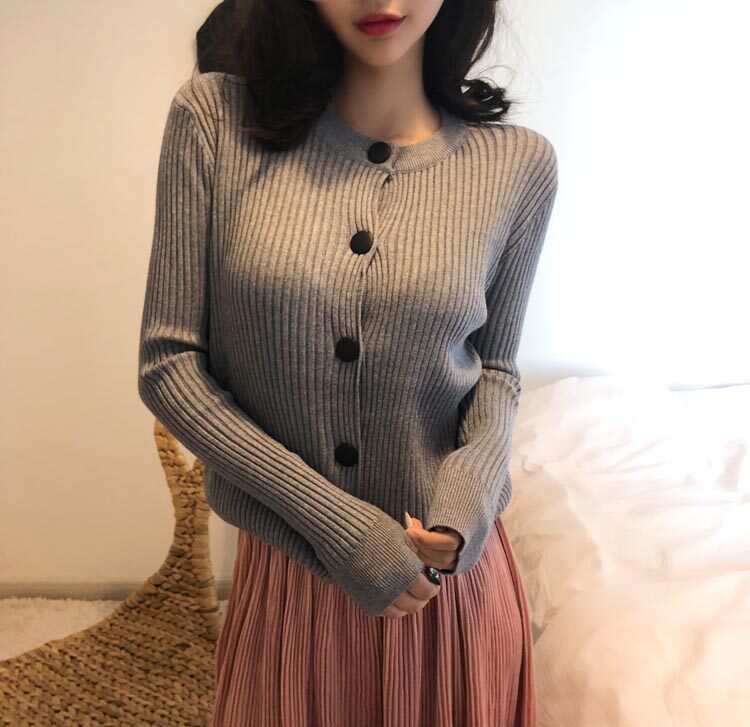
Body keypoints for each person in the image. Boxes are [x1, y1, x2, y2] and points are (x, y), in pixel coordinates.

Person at [138, 1, 558, 725]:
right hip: (291, 579)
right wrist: (341, 529)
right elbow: (169, 362)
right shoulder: (214, 120)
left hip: (449, 594)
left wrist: (465, 509)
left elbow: (495, 371)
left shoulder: (518, 164)